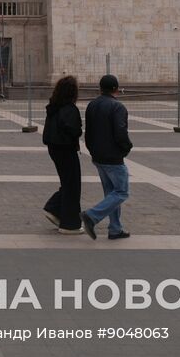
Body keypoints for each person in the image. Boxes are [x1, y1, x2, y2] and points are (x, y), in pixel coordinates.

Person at [81, 74, 132, 240]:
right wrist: (126, 148)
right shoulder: (117, 107)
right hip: (113, 157)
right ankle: (92, 215)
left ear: (100, 88)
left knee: (111, 193)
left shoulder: (92, 105)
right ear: (116, 89)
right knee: (121, 192)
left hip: (98, 156)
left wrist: (92, 150)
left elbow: (88, 132)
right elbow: (120, 133)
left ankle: (115, 229)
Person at [40, 75, 83, 234]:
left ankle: (54, 209)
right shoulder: (69, 109)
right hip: (66, 149)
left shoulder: (53, 107)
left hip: (54, 149)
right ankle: (69, 224)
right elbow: (73, 130)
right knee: (72, 185)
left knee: (68, 182)